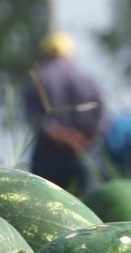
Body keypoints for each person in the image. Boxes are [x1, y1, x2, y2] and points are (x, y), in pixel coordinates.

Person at [23, 31, 107, 196]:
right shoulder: (87, 79)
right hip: (83, 153)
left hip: (49, 157)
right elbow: (103, 117)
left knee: (46, 206)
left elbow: (36, 119)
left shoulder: (38, 79)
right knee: (88, 209)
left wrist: (62, 135)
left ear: (46, 53)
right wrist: (82, 139)